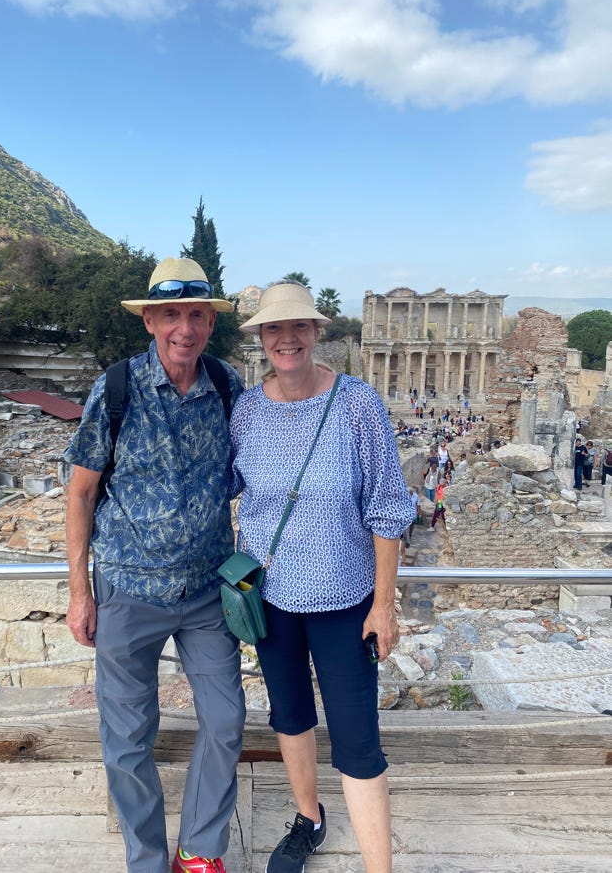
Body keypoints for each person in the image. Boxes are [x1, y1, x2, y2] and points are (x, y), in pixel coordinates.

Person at [64, 257, 246, 873]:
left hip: (206, 591)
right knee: (126, 738)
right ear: (149, 320)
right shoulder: (116, 388)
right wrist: (79, 593)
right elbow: (81, 492)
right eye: (170, 314)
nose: (184, 329)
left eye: (196, 315)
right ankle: (144, 858)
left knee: (226, 719)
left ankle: (199, 848)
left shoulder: (227, 386)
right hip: (127, 587)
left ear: (211, 323)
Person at [230, 281, 415, 873]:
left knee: (358, 739)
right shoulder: (246, 410)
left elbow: (388, 509)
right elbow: (227, 488)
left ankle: (378, 867)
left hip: (345, 599)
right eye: (274, 328)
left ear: (316, 332)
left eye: (298, 327)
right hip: (270, 598)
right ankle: (308, 820)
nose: (286, 338)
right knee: (289, 716)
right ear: (261, 338)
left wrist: (384, 605)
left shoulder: (358, 405)